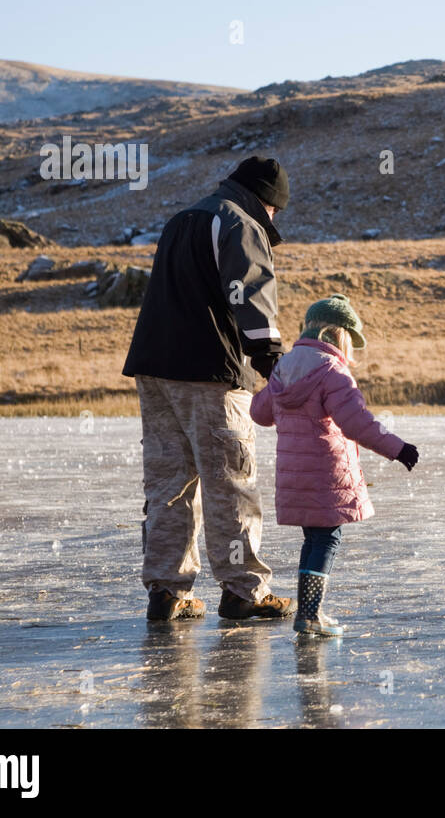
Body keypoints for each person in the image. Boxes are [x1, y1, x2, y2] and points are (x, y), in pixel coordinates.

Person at [122, 155, 296, 622]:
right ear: (267, 201)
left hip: (154, 370)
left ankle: (167, 589)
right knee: (230, 481)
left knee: (168, 483)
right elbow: (249, 290)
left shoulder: (184, 218)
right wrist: (268, 357)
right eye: (276, 210)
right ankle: (244, 591)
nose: (275, 218)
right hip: (208, 372)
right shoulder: (240, 222)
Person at [249, 295, 419, 636]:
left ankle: (309, 613)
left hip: (296, 479)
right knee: (327, 540)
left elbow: (259, 413)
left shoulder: (284, 366)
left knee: (314, 540)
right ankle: (310, 615)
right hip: (326, 476)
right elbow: (357, 422)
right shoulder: (332, 371)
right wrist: (398, 448)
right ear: (337, 333)